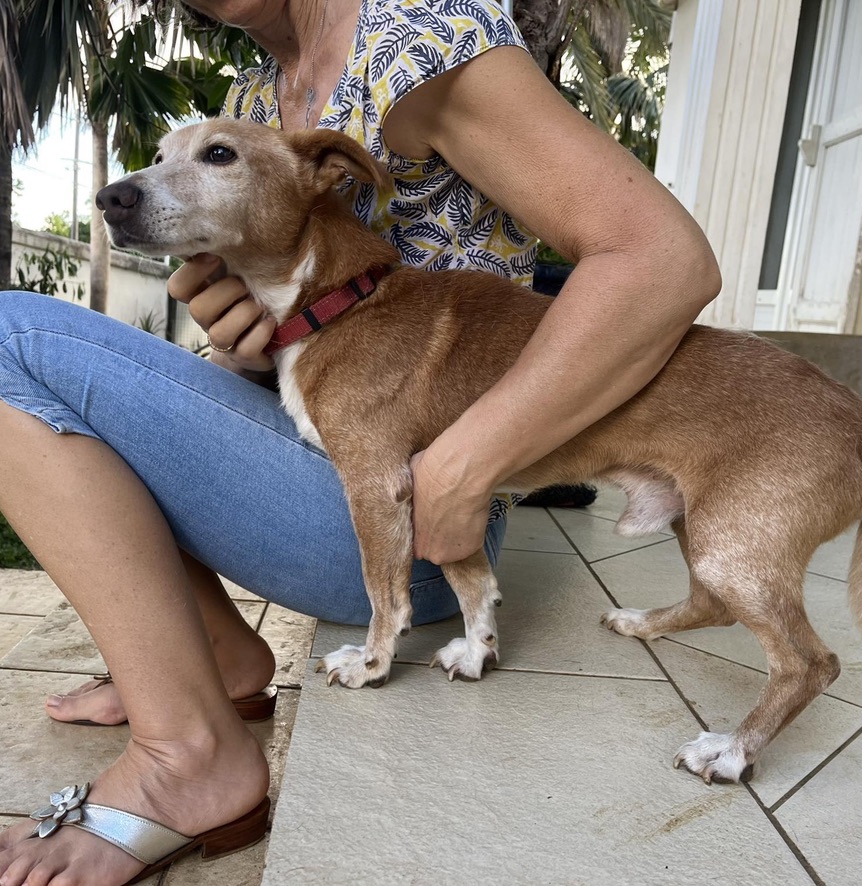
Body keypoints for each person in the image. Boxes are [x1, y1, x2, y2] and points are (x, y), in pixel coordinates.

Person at [0, 0, 721, 883]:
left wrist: (462, 469)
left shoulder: (417, 35)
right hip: (344, 471)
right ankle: (209, 656)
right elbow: (307, 360)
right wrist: (251, 341)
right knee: (60, 375)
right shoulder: (256, 99)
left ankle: (190, 756)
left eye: (209, 160)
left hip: (410, 516)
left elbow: (664, 258)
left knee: (9, 336)